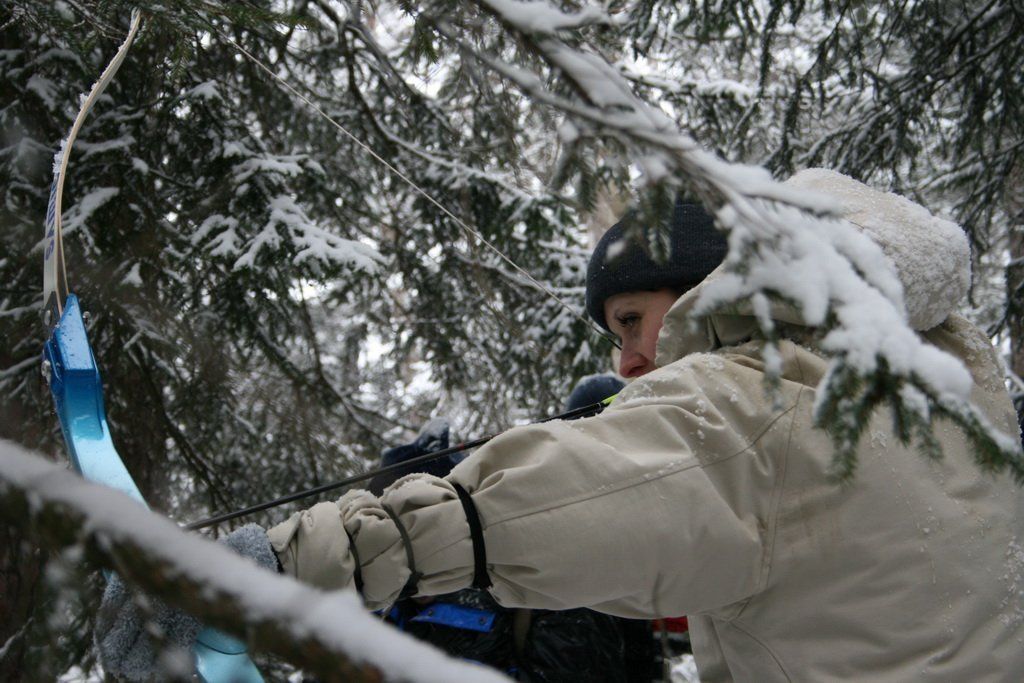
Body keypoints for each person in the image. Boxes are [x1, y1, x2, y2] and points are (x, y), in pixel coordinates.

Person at [99, 169, 1024, 681]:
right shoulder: (937, 382)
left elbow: (518, 513)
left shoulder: (759, 401)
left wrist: (258, 571)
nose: (628, 360)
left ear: (707, 288)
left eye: (633, 321)